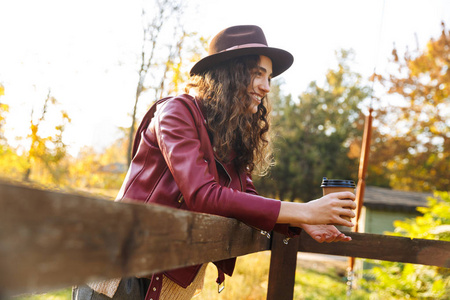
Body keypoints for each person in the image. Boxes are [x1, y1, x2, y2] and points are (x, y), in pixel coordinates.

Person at [72, 25, 356, 300]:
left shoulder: (230, 135)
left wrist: (300, 222)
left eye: (269, 78)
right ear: (229, 73)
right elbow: (202, 194)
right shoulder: (176, 112)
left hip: (165, 278)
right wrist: (304, 211)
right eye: (258, 74)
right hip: (120, 268)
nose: (266, 87)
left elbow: (246, 198)